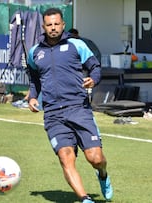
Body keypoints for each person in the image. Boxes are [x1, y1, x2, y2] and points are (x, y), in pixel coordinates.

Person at [27, 8, 113, 203]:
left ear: (63, 24)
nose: (53, 28)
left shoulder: (76, 45)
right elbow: (34, 78)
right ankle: (85, 199)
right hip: (53, 114)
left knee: (96, 158)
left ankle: (103, 175)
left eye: (57, 24)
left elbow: (94, 66)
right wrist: (33, 97)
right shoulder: (35, 52)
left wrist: (94, 79)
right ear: (44, 27)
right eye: (49, 25)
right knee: (66, 157)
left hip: (78, 108)